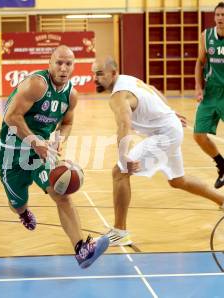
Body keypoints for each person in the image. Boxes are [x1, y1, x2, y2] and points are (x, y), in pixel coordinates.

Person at [0, 45, 109, 269]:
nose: (63, 68)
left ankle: (81, 249)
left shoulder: (71, 95)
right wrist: (34, 141)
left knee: (62, 192)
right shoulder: (36, 85)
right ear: (50, 63)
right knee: (17, 203)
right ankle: (23, 212)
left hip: (43, 152)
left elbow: (67, 123)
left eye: (69, 64)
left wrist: (59, 140)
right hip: (12, 152)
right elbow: (11, 117)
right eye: (59, 62)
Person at [93, 57, 224, 246]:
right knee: (178, 181)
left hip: (165, 134)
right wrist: (169, 112)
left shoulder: (118, 96)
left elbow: (124, 125)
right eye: (93, 74)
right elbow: (152, 89)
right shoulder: (128, 79)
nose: (95, 78)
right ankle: (222, 199)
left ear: (113, 73)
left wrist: (124, 157)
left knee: (119, 171)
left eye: (99, 74)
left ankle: (119, 232)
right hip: (169, 129)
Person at [194, 2, 224, 189]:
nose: (220, 18)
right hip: (211, 93)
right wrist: (198, 86)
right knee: (198, 135)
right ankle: (222, 165)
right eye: (218, 15)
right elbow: (200, 61)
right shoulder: (206, 36)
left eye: (223, 15)